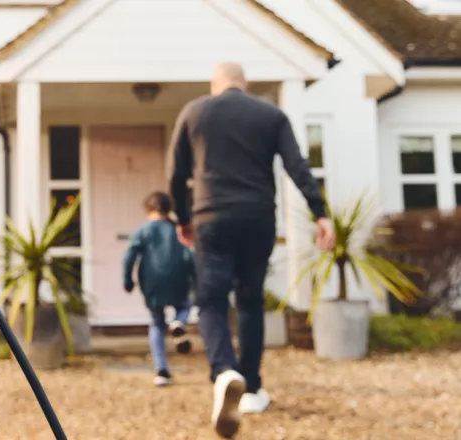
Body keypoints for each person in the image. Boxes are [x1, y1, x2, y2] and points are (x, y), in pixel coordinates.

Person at [167, 62, 335, 438]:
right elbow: (298, 166)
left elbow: (176, 174)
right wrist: (320, 214)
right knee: (250, 302)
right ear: (245, 84)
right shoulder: (271, 114)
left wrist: (182, 218)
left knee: (211, 301)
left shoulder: (195, 112)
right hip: (258, 219)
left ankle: (224, 370)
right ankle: (252, 389)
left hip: (211, 218)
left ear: (215, 86)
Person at [123, 191, 196, 387]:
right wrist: (195, 279)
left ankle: (162, 370)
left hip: (152, 281)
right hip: (178, 278)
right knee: (185, 306)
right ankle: (178, 322)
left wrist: (127, 280)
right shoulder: (177, 230)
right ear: (168, 209)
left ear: (149, 209)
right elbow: (189, 256)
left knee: (156, 322)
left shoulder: (142, 231)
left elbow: (130, 256)